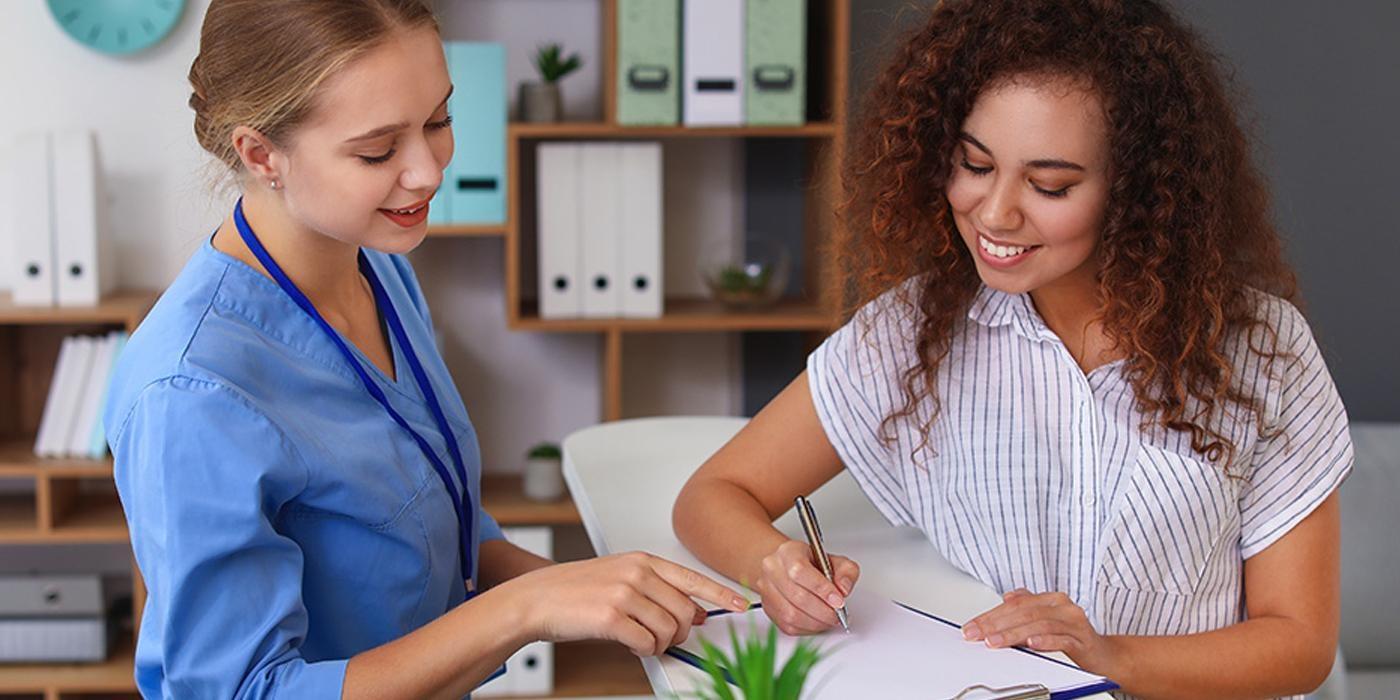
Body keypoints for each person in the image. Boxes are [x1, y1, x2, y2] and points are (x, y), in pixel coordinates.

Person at [672, 1, 1352, 697]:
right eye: (974, 164)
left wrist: (1110, 657)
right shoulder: (913, 334)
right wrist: (775, 565)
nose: (995, 213)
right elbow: (712, 495)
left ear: (1137, 191)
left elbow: (1299, 643)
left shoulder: (1262, 350)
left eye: (1049, 184)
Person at [104, 1, 746, 697]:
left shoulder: (378, 270)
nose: (428, 171)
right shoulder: (191, 392)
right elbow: (244, 691)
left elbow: (436, 522)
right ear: (261, 155)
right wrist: (530, 608)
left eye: (438, 121)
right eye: (379, 150)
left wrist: (598, 592)